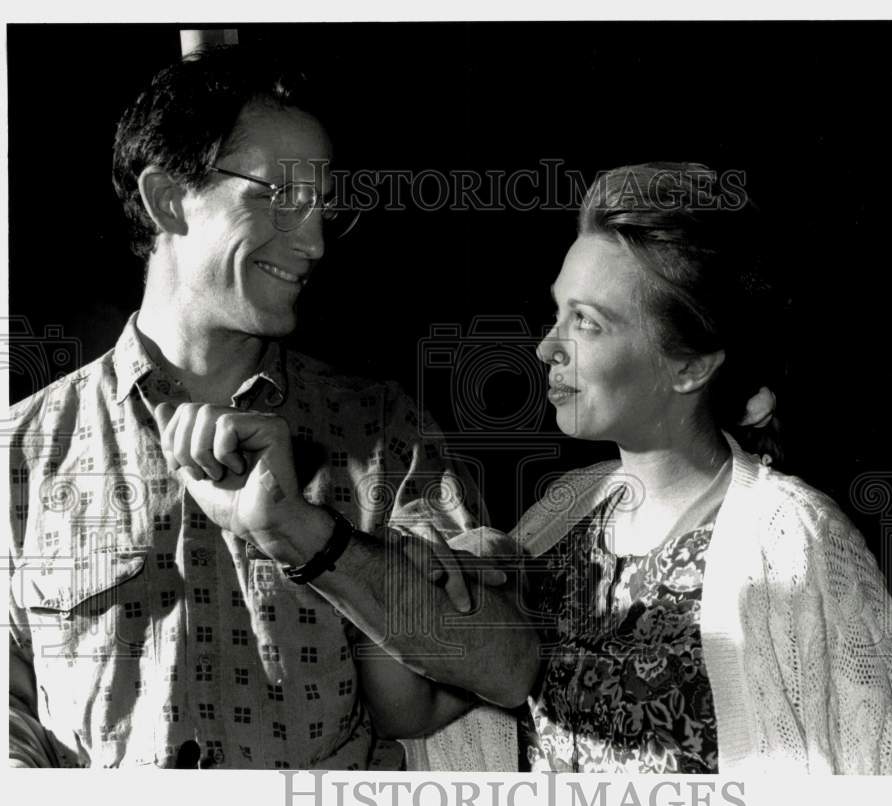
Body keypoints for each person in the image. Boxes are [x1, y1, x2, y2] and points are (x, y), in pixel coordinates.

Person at [7, 45, 537, 770]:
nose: (314, 242)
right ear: (168, 198)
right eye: (278, 196)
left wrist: (305, 535)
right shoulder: (21, 451)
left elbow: (504, 668)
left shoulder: (384, 432)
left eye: (322, 207)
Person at [368, 162, 892, 775]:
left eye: (587, 322)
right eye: (558, 312)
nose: (548, 347)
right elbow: (409, 711)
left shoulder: (793, 539)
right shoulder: (557, 517)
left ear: (689, 368)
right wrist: (406, 579)